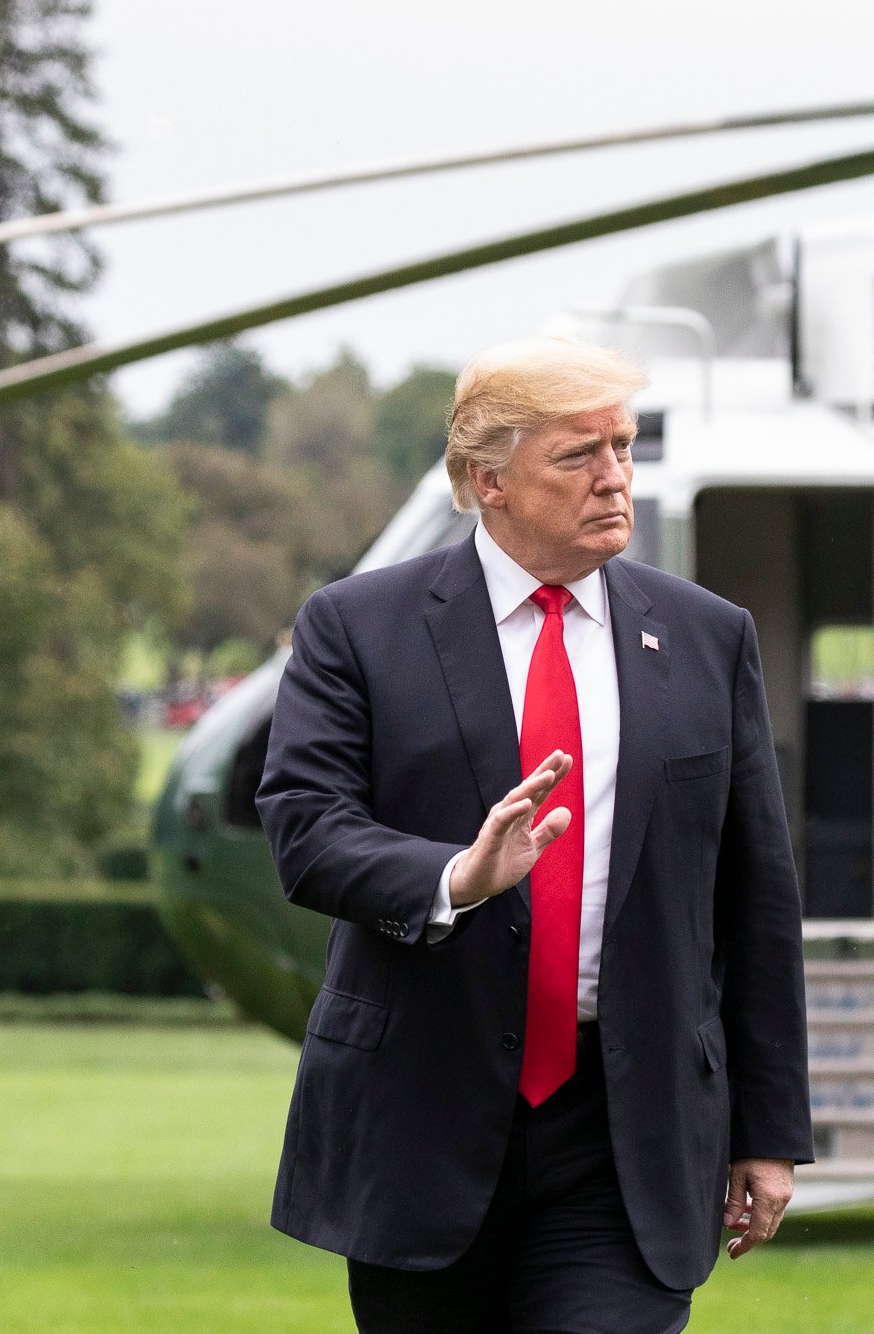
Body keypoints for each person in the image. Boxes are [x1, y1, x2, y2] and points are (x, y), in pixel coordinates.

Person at [256, 337, 813, 1333]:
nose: (614, 479)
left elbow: (753, 895)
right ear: (487, 482)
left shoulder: (705, 637)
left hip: (624, 1130)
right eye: (576, 456)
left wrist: (768, 1133)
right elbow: (304, 826)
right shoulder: (357, 626)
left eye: (623, 448)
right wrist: (455, 878)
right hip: (420, 1120)